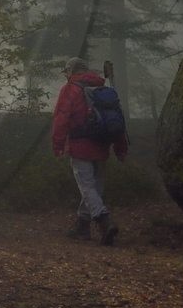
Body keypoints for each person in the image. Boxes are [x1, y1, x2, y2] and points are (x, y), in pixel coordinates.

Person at [51, 56, 128, 245]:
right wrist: (120, 148)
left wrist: (58, 144)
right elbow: (117, 120)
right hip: (102, 145)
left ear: (70, 72)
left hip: (79, 146)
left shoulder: (70, 89)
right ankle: (82, 226)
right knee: (95, 188)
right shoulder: (104, 89)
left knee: (87, 187)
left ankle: (104, 221)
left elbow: (61, 118)